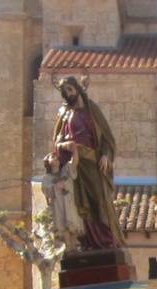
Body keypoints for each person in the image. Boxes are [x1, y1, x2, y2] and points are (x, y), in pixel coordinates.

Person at [42, 75, 126, 252]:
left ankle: (107, 240)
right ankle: (88, 242)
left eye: (70, 90)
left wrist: (106, 155)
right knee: (80, 204)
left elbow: (107, 137)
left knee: (99, 201)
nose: (68, 94)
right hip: (73, 165)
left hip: (93, 163)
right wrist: (66, 146)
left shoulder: (92, 110)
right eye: (64, 92)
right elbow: (56, 142)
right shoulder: (64, 114)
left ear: (78, 89)